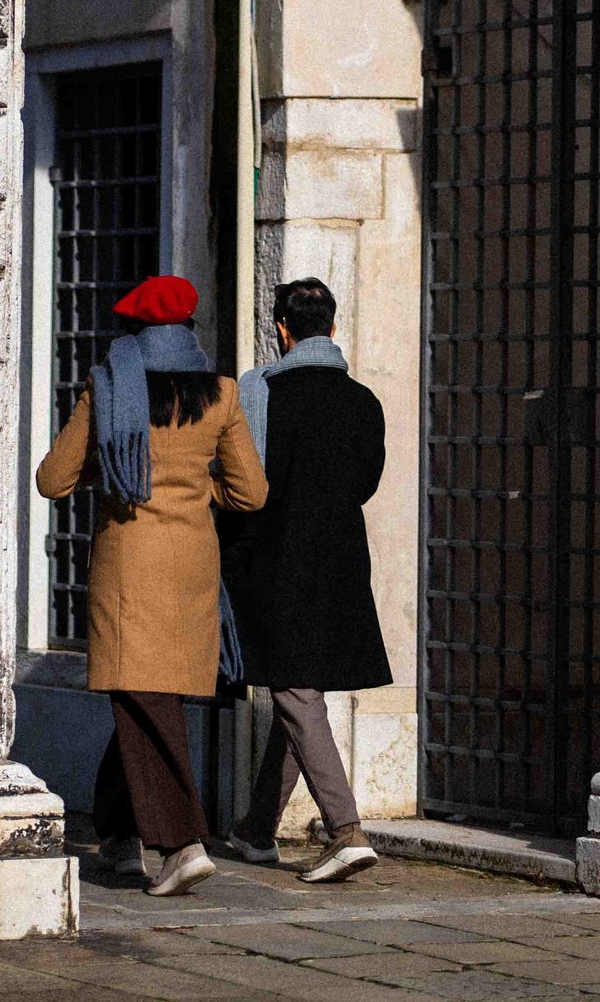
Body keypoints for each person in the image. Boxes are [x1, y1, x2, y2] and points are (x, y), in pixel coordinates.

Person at [35, 274, 268, 898]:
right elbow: (251, 491)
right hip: (193, 564)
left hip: (129, 564)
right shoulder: (220, 394)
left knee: (144, 701)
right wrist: (194, 490)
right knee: (145, 698)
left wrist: (113, 471)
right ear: (189, 326)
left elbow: (52, 479)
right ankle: (116, 836)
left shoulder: (109, 385)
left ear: (134, 328)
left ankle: (180, 843)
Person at [222, 277, 391, 884]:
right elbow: (365, 483)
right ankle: (256, 830)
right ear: (334, 328)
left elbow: (242, 485)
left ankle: (346, 831)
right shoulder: (363, 401)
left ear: (282, 330)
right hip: (341, 562)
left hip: (275, 561)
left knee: (294, 692)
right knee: (302, 691)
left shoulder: (259, 394)